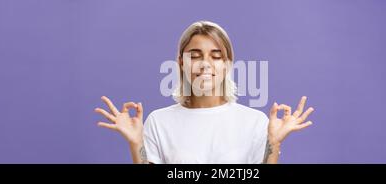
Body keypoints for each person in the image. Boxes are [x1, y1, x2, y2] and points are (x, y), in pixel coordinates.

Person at [94, 21, 314, 164]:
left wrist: (274, 143)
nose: (205, 64)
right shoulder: (158, 121)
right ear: (181, 63)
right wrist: (136, 143)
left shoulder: (255, 122)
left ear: (228, 64)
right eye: (195, 55)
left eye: (216, 56)